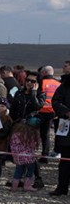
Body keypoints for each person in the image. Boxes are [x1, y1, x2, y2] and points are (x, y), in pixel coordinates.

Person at [49, 67, 70, 196]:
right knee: (65, 161)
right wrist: (67, 112)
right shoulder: (65, 85)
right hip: (67, 129)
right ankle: (62, 187)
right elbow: (55, 101)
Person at [9, 117, 41, 191]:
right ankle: (27, 186)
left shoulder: (16, 133)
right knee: (30, 171)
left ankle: (14, 187)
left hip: (17, 156)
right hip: (29, 156)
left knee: (18, 171)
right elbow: (33, 146)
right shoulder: (32, 135)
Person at [37, 66, 61, 160]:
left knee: (41, 134)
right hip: (54, 112)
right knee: (51, 134)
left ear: (44, 73)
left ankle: (40, 154)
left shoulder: (41, 82)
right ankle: (49, 153)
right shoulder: (58, 83)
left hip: (42, 111)